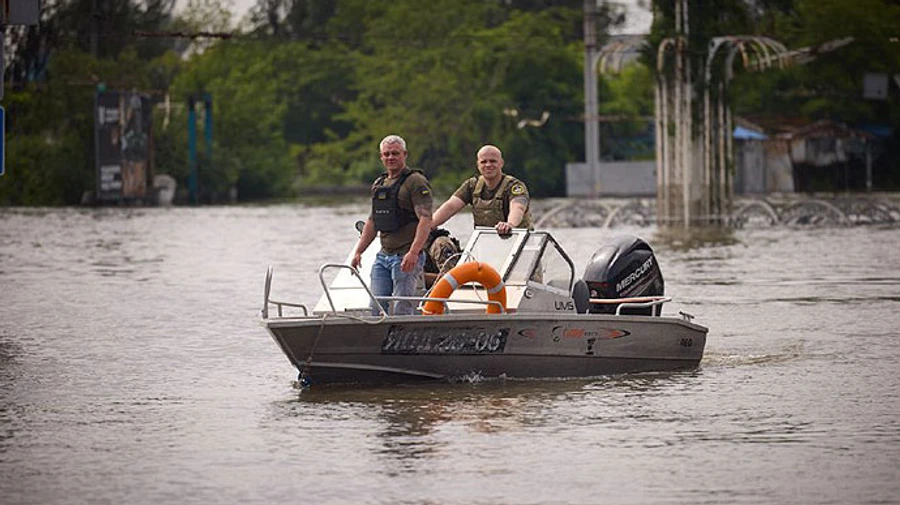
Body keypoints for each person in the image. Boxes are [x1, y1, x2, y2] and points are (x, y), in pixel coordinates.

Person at [351, 135, 434, 315]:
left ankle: (404, 331)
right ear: (381, 157)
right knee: (375, 307)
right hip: (384, 256)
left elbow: (426, 219)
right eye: (386, 154)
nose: (391, 157)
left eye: (395, 153)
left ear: (405, 154)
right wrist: (358, 252)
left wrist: (414, 252)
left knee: (401, 308)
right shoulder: (379, 183)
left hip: (406, 256)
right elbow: (373, 221)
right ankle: (378, 332)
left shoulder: (415, 181)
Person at [432, 144, 532, 234]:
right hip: (485, 242)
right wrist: (429, 225)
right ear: (478, 165)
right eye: (484, 162)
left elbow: (518, 207)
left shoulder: (514, 186)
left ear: (501, 163)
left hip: (519, 241)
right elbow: (450, 206)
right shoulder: (472, 185)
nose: (488, 165)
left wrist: (510, 224)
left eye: (493, 161)